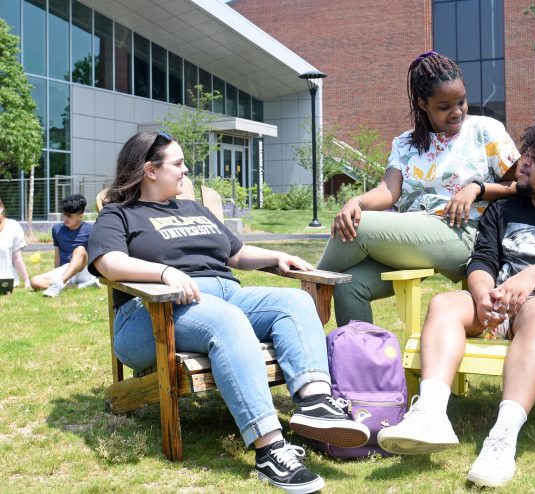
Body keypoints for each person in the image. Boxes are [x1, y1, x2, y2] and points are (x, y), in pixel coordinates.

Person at [87, 131, 370, 494]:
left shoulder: (194, 209)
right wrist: (163, 273)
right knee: (227, 321)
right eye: (177, 164)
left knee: (296, 303)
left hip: (226, 295)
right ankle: (270, 450)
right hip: (154, 309)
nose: (186, 170)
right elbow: (109, 262)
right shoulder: (120, 214)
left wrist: (275, 257)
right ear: (150, 170)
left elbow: (234, 254)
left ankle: (315, 403)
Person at [376, 124, 535, 487]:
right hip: (499, 308)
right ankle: (430, 413)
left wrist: (533, 276)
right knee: (445, 303)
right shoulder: (503, 208)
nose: (523, 164)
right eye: (527, 155)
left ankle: (503, 436)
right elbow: (482, 260)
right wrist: (482, 294)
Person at [317, 51, 520, 326]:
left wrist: (477, 188)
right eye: (444, 106)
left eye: (461, 101)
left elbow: (521, 184)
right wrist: (358, 201)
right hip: (412, 236)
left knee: (359, 227)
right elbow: (389, 191)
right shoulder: (405, 143)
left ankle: (313, 293)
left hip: (463, 233)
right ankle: (361, 367)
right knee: (348, 286)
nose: (457, 111)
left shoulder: (484, 131)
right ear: (423, 104)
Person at [30, 194, 99, 297]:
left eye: (70, 216)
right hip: (65, 271)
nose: (65, 218)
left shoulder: (91, 229)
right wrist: (56, 271)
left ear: (80, 216)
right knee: (34, 281)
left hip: (83, 269)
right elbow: (57, 255)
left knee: (79, 250)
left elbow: (97, 255)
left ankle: (59, 284)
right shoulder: (57, 229)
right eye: (64, 214)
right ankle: (81, 285)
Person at [0, 196, 31, 289]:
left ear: (1, 208)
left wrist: (26, 280)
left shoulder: (12, 226)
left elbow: (17, 258)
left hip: (5, 282)